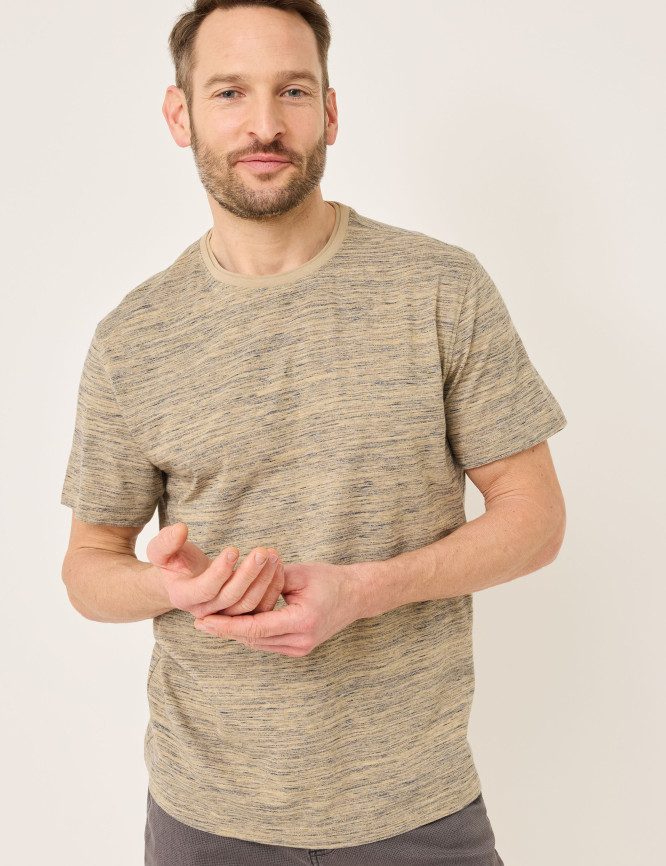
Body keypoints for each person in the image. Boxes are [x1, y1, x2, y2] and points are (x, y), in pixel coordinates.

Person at [61, 1, 567, 863]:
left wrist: (367, 590)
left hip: (419, 810)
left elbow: (537, 518)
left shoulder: (441, 289)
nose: (264, 124)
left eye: (292, 90)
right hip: (205, 817)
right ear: (180, 115)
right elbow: (87, 566)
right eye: (229, 92)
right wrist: (174, 589)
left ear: (330, 111)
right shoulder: (134, 336)